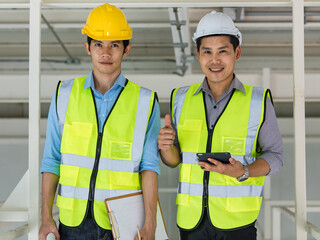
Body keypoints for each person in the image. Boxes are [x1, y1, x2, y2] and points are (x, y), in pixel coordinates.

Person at [39, 3, 160, 240]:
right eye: (98, 44)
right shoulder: (63, 95)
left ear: (126, 49)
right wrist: (46, 215)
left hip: (122, 224)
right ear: (87, 47)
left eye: (114, 44)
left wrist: (150, 224)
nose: (106, 53)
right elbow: (52, 159)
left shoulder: (145, 101)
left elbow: (150, 168)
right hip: (73, 224)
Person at [158, 10, 283, 240]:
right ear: (198, 54)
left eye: (222, 51)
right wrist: (166, 148)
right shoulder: (180, 99)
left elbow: (275, 156)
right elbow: (174, 161)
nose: (214, 60)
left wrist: (244, 171)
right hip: (191, 221)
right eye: (207, 52)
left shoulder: (258, 101)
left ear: (237, 52)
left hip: (238, 224)